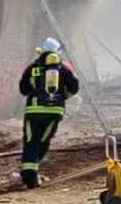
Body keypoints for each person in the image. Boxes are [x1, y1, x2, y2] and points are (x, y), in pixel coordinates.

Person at [18, 38, 79, 189]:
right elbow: (74, 87)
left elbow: (23, 89)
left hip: (33, 111)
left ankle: (28, 176)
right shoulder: (64, 67)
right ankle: (33, 170)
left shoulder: (32, 67)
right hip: (55, 111)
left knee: (31, 139)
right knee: (44, 140)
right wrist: (62, 97)